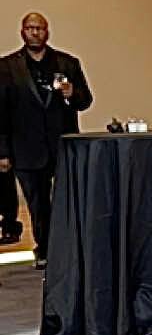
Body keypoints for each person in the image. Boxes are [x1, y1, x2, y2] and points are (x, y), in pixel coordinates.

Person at [0, 13, 93, 265]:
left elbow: (85, 101)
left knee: (68, 200)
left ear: (47, 32)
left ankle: (69, 249)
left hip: (62, 144)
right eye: (30, 28)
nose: (35, 32)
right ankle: (45, 251)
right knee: (37, 204)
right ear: (22, 32)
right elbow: (1, 113)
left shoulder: (67, 63)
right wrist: (3, 152)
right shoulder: (6, 67)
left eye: (39, 28)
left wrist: (72, 93)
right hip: (25, 147)